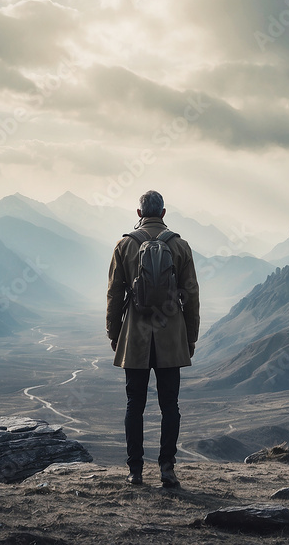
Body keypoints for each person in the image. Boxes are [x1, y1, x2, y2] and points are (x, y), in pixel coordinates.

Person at [106, 190, 200, 488]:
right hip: (171, 338)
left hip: (135, 337)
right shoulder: (181, 246)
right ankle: (167, 468)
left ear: (139, 213)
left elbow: (114, 295)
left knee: (135, 404)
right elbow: (193, 296)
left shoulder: (124, 245)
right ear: (163, 213)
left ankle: (134, 470)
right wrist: (191, 338)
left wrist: (114, 334)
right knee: (169, 405)